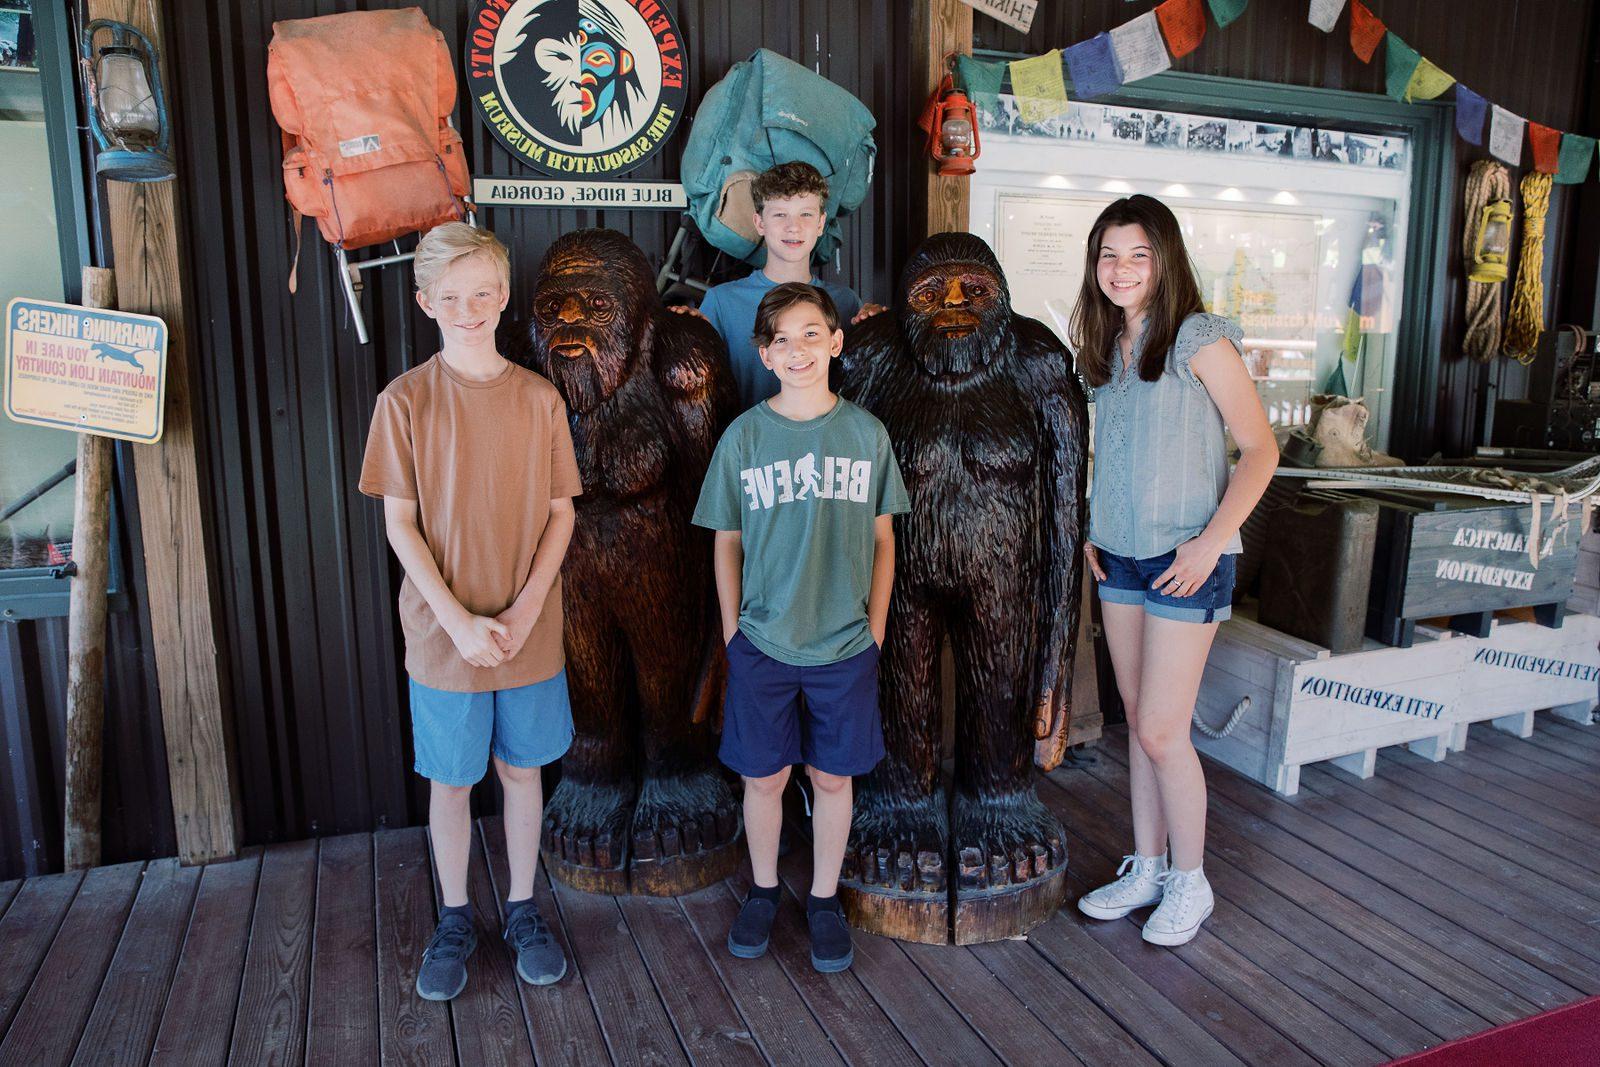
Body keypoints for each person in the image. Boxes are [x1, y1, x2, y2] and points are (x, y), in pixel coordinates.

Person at [359, 223, 582, 999]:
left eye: (483, 292)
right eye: (451, 296)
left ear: (504, 295)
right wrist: (456, 620)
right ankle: (454, 914)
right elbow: (399, 523)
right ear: (425, 302)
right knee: (451, 781)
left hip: (527, 628)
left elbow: (561, 513)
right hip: (443, 634)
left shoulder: (539, 397)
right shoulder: (406, 401)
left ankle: (522, 905)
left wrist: (522, 614)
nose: (469, 308)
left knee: (522, 771)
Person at [1069, 195, 1277, 947]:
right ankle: (1148, 866)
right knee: (1137, 720)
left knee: (1162, 729)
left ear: (1166, 259)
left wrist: (1211, 541)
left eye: (1138, 255)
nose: (1121, 270)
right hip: (1119, 554)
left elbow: (1261, 450)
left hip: (1188, 557)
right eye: (1108, 255)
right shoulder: (1108, 344)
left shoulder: (1197, 337)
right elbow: (1115, 453)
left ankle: (1192, 880)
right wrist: (1093, 529)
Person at [691, 282, 908, 972]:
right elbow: (725, 539)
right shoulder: (745, 435)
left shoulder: (865, 434)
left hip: (845, 645)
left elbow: (884, 542)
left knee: (835, 778)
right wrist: (733, 633)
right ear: (764, 352)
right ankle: (761, 889)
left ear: (837, 341)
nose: (798, 349)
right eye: (782, 338)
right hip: (763, 642)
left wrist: (874, 632)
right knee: (765, 778)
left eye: (812, 333)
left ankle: (820, 897)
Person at [674, 161, 884, 409]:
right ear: (760, 222)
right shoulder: (722, 302)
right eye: (780, 214)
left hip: (821, 445)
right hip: (744, 444)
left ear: (820, 223)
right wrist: (684, 333)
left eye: (805, 214)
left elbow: (863, 380)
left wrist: (879, 329)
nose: (793, 227)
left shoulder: (846, 303)